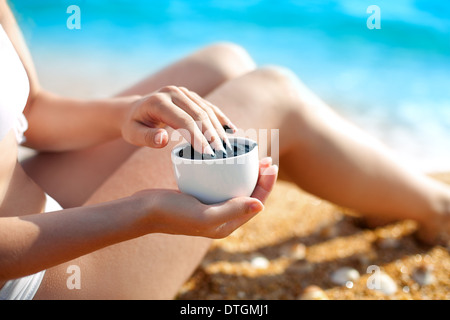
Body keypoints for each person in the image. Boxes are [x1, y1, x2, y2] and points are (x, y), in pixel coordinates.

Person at [0, 1, 448, 300]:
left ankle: (377, 193)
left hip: (30, 197)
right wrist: (141, 214)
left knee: (222, 64)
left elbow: (32, 111)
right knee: (274, 94)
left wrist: (129, 112)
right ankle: (437, 207)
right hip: (40, 277)